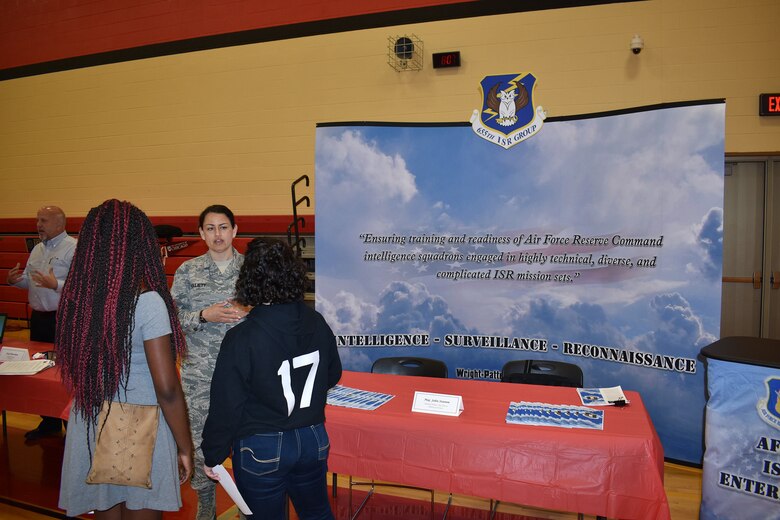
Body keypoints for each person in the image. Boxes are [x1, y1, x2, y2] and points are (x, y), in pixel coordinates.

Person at [56, 199, 193, 519]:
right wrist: (185, 446)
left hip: (91, 417)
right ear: (140, 244)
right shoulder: (147, 301)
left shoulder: (79, 296)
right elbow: (167, 388)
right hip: (135, 423)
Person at [201, 237, 342, 520]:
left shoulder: (243, 337)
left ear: (249, 279)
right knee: (317, 513)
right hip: (313, 436)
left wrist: (213, 453)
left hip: (262, 444)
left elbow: (226, 405)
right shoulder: (316, 322)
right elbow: (332, 374)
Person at [170, 204, 248, 520]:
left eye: (224, 227)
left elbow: (272, 315)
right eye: (211, 228)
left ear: (235, 230)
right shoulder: (187, 272)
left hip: (245, 376)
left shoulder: (251, 270)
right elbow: (172, 319)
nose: (218, 234)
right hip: (199, 375)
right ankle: (206, 505)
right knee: (200, 442)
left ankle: (246, 506)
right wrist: (204, 315)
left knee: (247, 444)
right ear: (202, 234)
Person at [6, 205, 76, 440]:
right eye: (38, 220)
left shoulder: (73, 249)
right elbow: (31, 281)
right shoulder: (37, 249)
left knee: (63, 373)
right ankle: (49, 421)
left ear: (59, 224)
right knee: (39, 370)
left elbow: (82, 288)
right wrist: (16, 281)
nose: (38, 225)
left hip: (64, 318)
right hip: (39, 319)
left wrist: (55, 284)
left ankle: (71, 425)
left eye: (43, 220)